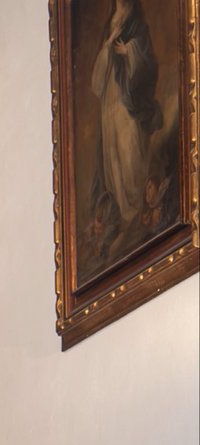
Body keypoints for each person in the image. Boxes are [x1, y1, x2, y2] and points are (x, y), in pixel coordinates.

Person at [87, 0, 162, 263]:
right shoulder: (112, 20)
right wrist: (109, 49)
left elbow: (147, 59)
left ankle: (134, 211)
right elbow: (99, 75)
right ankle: (124, 214)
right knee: (113, 154)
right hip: (111, 97)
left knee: (129, 150)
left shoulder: (135, 20)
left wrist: (127, 50)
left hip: (127, 100)